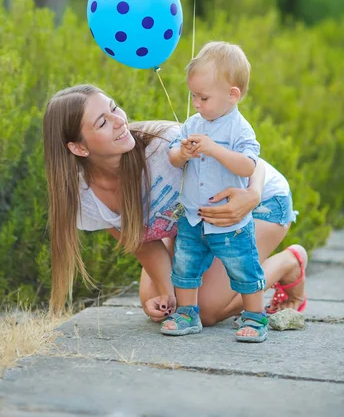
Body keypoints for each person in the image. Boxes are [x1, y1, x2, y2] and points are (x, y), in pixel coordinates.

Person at [43, 84, 307, 336]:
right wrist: (170, 296)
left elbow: (253, 162)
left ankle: (290, 263)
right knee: (159, 303)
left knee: (204, 311)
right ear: (78, 147)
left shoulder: (162, 145)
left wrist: (252, 194)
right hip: (195, 227)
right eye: (102, 122)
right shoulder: (87, 198)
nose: (119, 120)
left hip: (260, 205)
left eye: (114, 108)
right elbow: (144, 244)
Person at [163, 41, 265, 341]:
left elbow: (248, 166)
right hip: (194, 217)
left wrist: (213, 149)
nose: (196, 103)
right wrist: (181, 154)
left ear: (232, 95)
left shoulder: (239, 129)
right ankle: (186, 313)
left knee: (243, 266)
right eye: (193, 96)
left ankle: (255, 317)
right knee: (185, 264)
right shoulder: (193, 123)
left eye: (203, 97)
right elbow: (172, 155)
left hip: (229, 223)